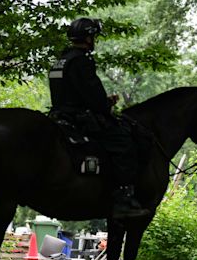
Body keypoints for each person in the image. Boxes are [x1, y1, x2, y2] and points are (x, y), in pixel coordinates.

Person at [49, 17, 149, 219]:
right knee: (123, 140)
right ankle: (123, 196)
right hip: (78, 118)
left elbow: (69, 90)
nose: (94, 39)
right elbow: (93, 96)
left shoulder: (60, 61)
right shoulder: (82, 60)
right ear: (88, 37)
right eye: (93, 36)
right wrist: (107, 103)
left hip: (58, 115)